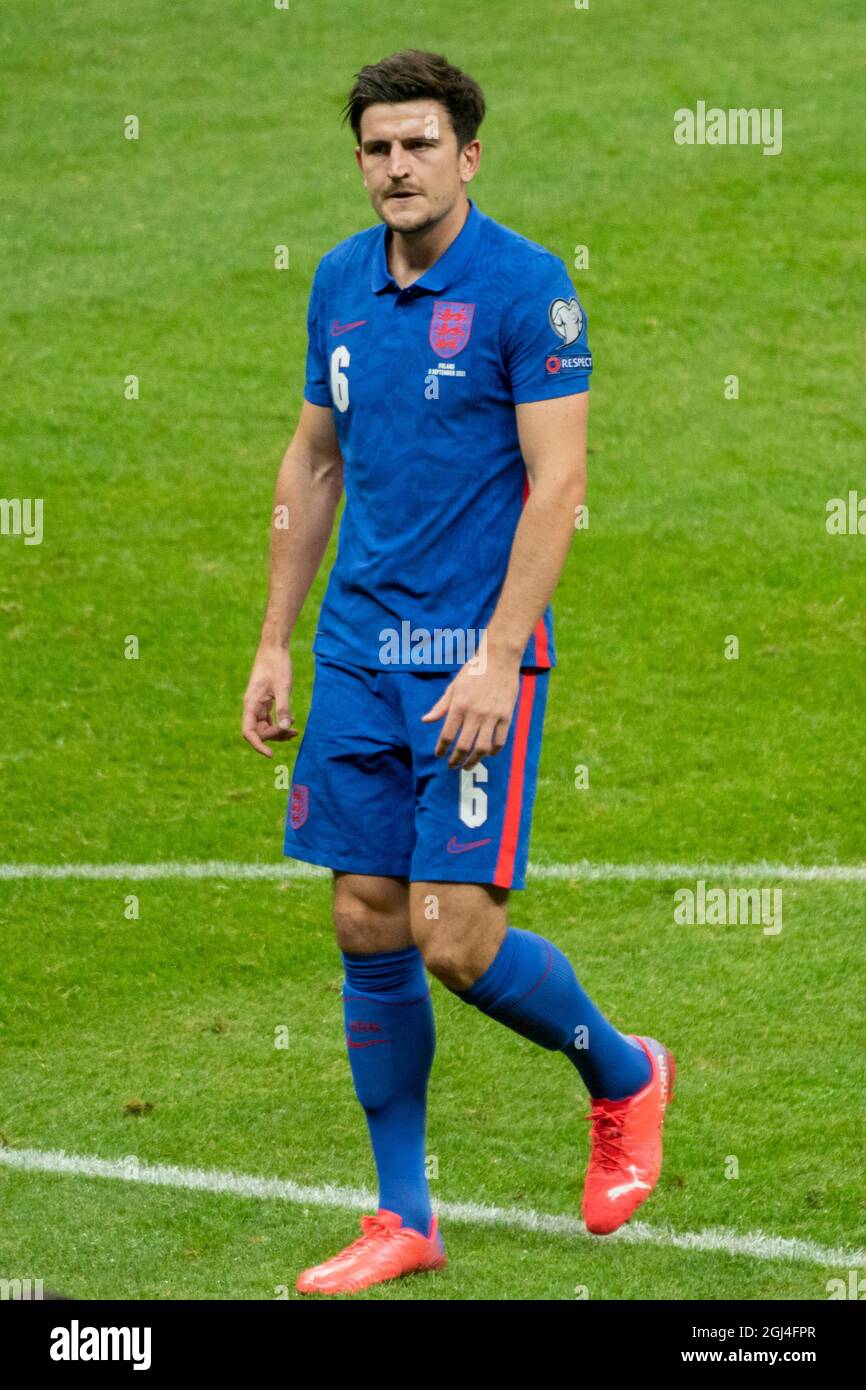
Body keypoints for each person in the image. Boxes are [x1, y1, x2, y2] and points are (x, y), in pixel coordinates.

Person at [242, 49, 674, 1296]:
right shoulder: (335, 282)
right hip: (354, 653)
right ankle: (404, 1215)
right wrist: (275, 639)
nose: (394, 167)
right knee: (363, 918)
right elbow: (313, 464)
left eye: (418, 144)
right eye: (375, 147)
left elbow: (560, 484)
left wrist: (493, 656)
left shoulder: (524, 290)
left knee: (454, 936)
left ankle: (623, 1072)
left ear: (467, 154)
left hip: (468, 662)